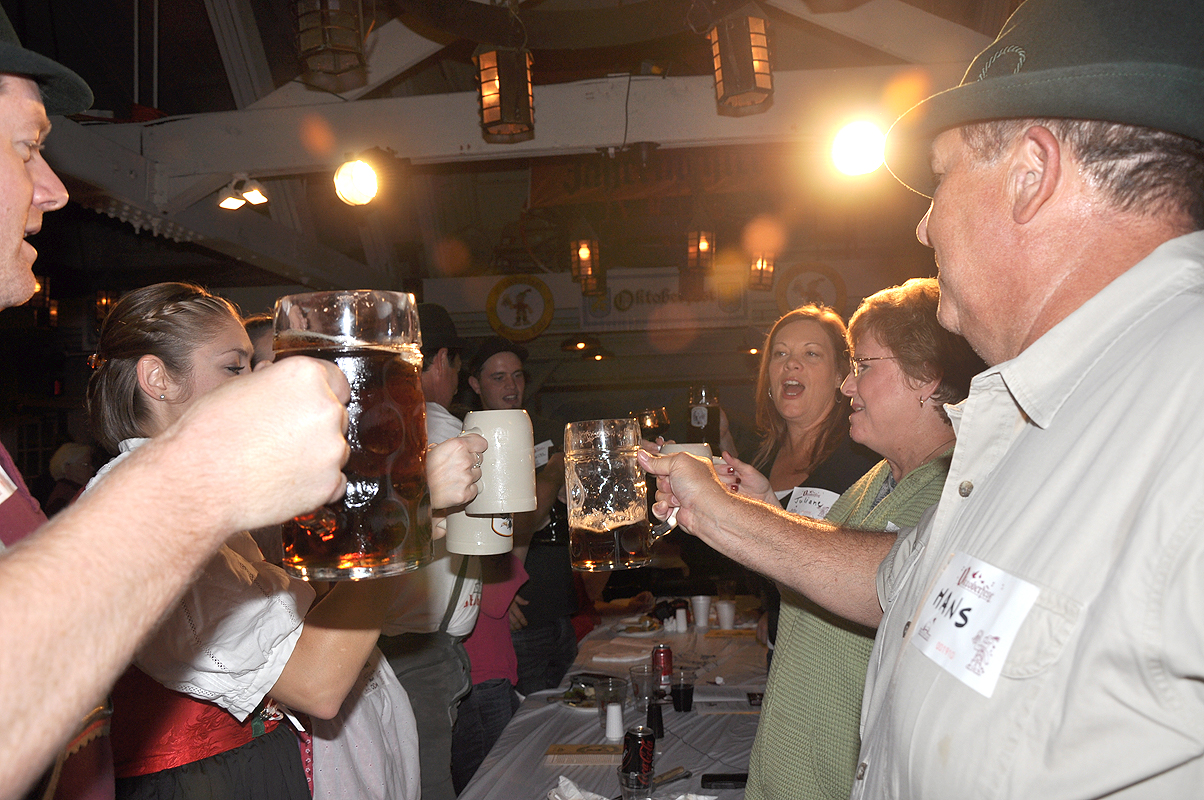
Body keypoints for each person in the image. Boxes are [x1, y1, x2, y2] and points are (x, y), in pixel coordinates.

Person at [643, 0, 1204, 795]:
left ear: (1031, 176)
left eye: (940, 180)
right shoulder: (1050, 405)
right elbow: (904, 581)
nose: (924, 225)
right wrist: (717, 509)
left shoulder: (1184, 401)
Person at [0, 16, 352, 800]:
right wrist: (205, 474)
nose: (56, 188)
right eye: (28, 146)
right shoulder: (140, 486)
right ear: (157, 381)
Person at [84, 282, 485, 800]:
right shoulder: (143, 498)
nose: (261, 384)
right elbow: (316, 683)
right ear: (158, 379)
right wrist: (409, 506)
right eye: (235, 367)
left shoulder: (216, 491)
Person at [744, 278, 982, 800]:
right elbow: (820, 575)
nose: (848, 387)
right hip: (790, 771)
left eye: (864, 367)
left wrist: (725, 514)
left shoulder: (953, 497)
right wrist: (762, 508)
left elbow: (887, 589)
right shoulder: (876, 479)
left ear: (925, 376)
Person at [719, 306, 877, 661]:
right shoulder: (760, 462)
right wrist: (772, 613)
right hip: (785, 655)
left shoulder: (863, 459)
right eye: (780, 354)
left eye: (811, 353)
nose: (791, 364)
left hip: (843, 656)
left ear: (841, 374)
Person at [378, 302, 482, 800]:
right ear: (440, 360)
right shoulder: (444, 430)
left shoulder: (372, 426)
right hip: (419, 647)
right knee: (429, 784)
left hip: (375, 644)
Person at [466, 335, 577, 694]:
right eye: (498, 378)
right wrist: (496, 587)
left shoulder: (546, 431)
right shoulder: (468, 441)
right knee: (525, 729)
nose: (511, 386)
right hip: (517, 612)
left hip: (561, 600)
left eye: (517, 375)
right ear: (474, 384)